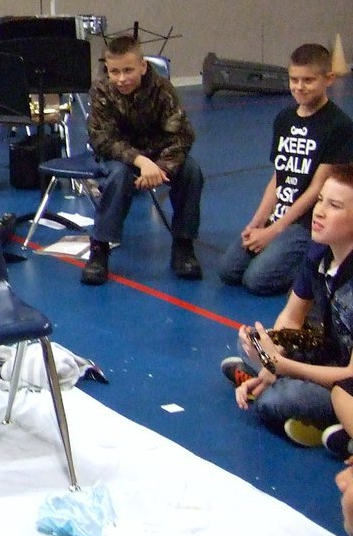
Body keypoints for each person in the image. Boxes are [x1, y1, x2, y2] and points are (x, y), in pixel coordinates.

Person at [222, 165, 353, 446]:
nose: (318, 212)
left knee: (277, 401)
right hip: (329, 355)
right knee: (252, 342)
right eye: (320, 200)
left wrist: (282, 366)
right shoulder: (320, 251)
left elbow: (349, 375)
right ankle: (269, 379)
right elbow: (292, 319)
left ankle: (337, 425)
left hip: (347, 381)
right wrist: (270, 357)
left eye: (335, 206)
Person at [218, 44, 353, 296]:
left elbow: (317, 188)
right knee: (228, 270)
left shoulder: (339, 126)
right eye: (294, 79)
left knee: (257, 280)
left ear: (329, 79)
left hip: (305, 223)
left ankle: (313, 263)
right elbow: (277, 179)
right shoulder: (284, 119)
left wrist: (274, 231)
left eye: (308, 80)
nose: (299, 87)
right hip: (279, 214)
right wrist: (257, 222)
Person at [82, 34, 204, 285]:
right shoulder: (101, 90)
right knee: (118, 176)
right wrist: (140, 161)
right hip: (121, 157)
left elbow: (182, 136)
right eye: (114, 71)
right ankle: (100, 248)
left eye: (128, 70)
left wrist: (160, 168)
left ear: (143, 66)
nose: (121, 78)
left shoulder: (162, 90)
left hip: (159, 156)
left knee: (191, 171)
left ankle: (183, 245)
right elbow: (101, 139)